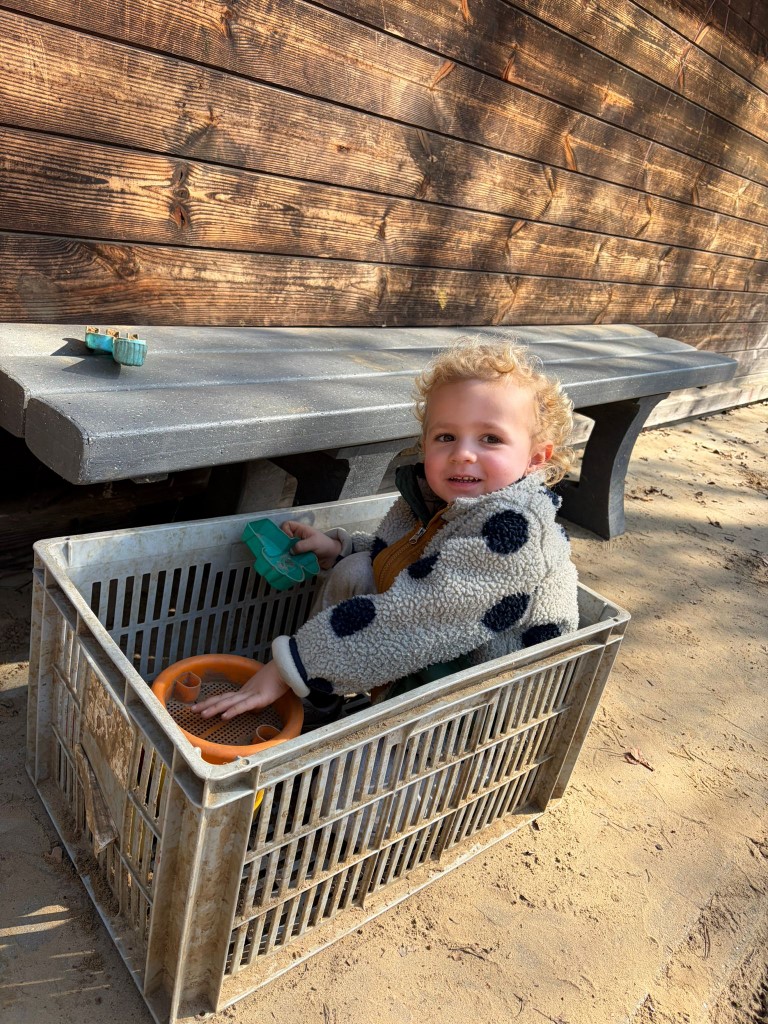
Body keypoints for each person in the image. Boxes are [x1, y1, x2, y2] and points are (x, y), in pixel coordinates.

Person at [193, 340, 579, 722]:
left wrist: (286, 668)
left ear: (535, 458)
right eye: (445, 437)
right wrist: (340, 550)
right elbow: (416, 557)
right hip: (437, 652)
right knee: (356, 569)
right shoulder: (440, 498)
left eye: (490, 438)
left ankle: (320, 687)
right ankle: (316, 700)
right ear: (425, 443)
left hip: (481, 707)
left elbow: (419, 619)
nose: (462, 453)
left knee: (351, 760)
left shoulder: (515, 532)